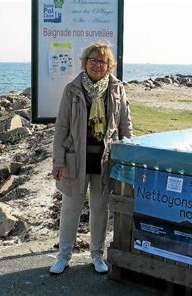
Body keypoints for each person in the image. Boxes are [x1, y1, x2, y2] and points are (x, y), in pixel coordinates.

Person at [50, 42, 133, 274]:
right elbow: (62, 127)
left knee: (100, 208)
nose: (97, 65)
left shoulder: (117, 88)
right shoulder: (72, 89)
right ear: (85, 62)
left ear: (109, 66)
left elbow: (125, 124)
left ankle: (97, 255)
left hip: (106, 158)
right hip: (75, 159)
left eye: (103, 61)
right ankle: (63, 256)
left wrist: (129, 154)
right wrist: (58, 161)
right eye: (93, 60)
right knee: (70, 209)